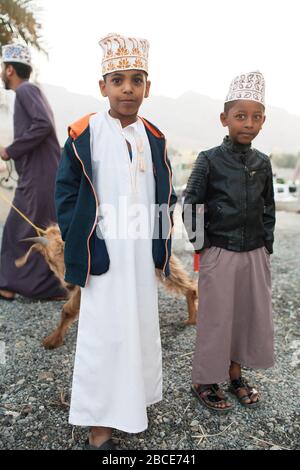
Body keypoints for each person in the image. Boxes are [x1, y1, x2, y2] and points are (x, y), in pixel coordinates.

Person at [55, 33, 177, 449]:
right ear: (102, 85)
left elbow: (165, 194)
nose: (128, 88)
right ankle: (100, 422)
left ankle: (135, 403)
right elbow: (67, 194)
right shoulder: (84, 132)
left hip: (140, 254)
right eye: (118, 79)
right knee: (104, 333)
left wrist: (160, 244)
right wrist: (84, 242)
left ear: (148, 87)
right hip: (103, 252)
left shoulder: (154, 137)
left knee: (140, 326)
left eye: (136, 80)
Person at [183, 71, 275, 412]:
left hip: (254, 252)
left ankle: (235, 373)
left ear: (263, 121)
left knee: (245, 316)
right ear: (224, 119)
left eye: (255, 117)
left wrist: (267, 246)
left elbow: (268, 208)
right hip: (218, 251)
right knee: (216, 318)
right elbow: (190, 204)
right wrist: (200, 247)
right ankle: (204, 379)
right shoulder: (209, 159)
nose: (247, 123)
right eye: (240, 116)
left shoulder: (262, 163)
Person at [0, 44, 66, 300]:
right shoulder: (29, 91)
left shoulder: (26, 90)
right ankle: (25, 285)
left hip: (40, 176)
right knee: (30, 228)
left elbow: (43, 124)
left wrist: (10, 150)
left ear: (9, 69)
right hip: (37, 174)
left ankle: (38, 286)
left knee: (26, 228)